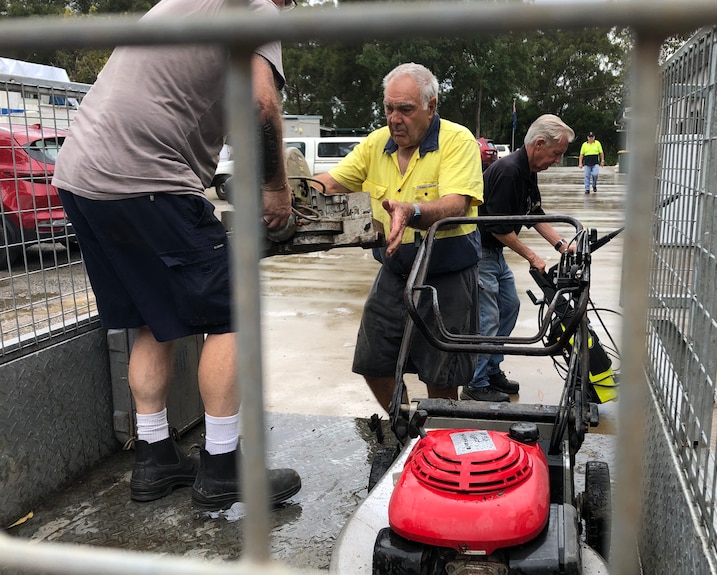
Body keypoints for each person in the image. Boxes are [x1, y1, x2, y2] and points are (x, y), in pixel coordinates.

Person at [52, 0, 301, 511]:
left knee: (152, 318)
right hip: (147, 175)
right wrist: (276, 188)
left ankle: (154, 456)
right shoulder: (257, 7)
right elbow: (260, 105)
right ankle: (222, 466)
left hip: (79, 176)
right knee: (235, 314)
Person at [313, 63, 484, 411]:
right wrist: (288, 193)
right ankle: (405, 422)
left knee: (442, 375)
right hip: (394, 272)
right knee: (372, 361)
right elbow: (331, 182)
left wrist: (413, 212)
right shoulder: (377, 143)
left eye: (405, 109)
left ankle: (435, 440)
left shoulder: (457, 140)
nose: (394, 118)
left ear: (431, 106)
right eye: (389, 108)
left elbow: (457, 204)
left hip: (447, 277)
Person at [461, 115, 576, 402]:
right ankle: (475, 383)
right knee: (488, 320)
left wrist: (561, 244)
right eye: (557, 153)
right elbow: (499, 228)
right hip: (480, 253)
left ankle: (491, 369)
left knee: (509, 307)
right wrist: (533, 256)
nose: (557, 160)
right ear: (539, 144)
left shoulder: (526, 169)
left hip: (494, 253)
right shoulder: (510, 170)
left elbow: (533, 211)